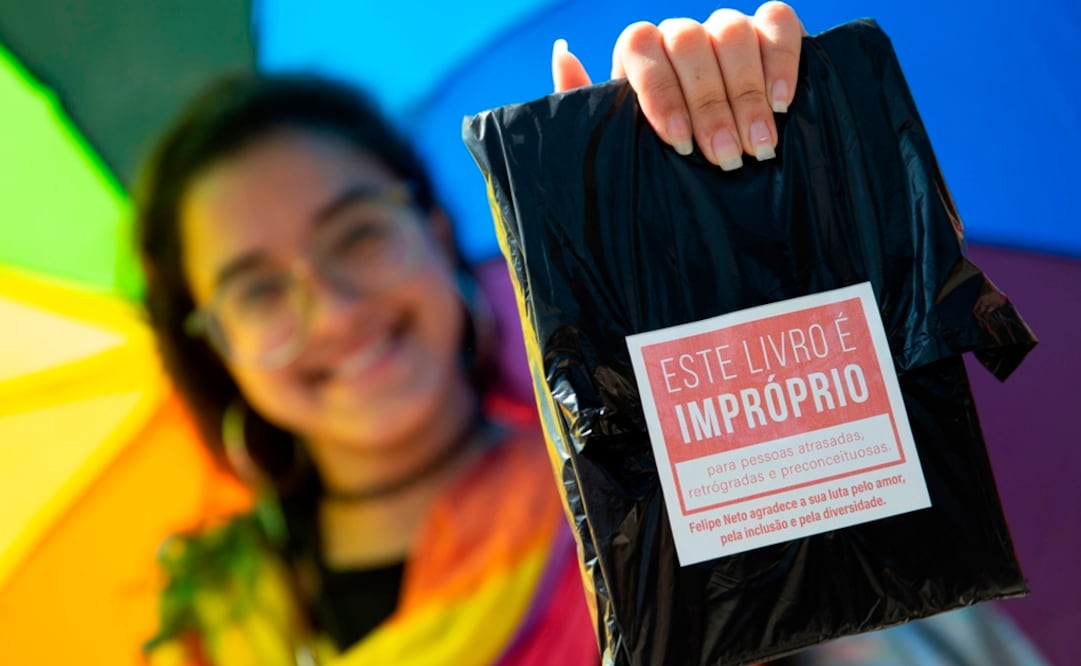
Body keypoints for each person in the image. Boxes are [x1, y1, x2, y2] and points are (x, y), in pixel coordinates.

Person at [135, 4, 1045, 664]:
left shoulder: (639, 476)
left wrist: (740, 230)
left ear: (437, 229)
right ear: (209, 342)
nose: (330, 309)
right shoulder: (206, 623)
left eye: (356, 234)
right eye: (256, 290)